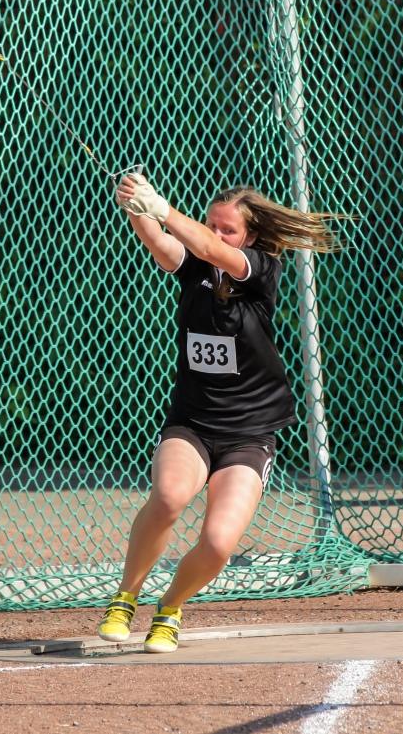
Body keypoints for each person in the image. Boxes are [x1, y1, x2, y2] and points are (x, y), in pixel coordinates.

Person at [98, 173, 345, 653]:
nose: (215, 233)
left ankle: (169, 608)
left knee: (216, 544)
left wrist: (163, 208)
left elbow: (209, 247)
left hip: (249, 434)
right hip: (192, 423)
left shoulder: (260, 267)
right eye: (212, 224)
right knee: (168, 498)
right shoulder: (195, 264)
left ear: (249, 236)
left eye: (227, 228)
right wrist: (135, 202)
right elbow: (159, 240)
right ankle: (125, 597)